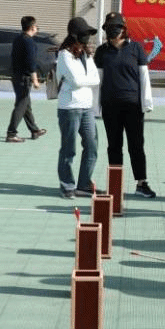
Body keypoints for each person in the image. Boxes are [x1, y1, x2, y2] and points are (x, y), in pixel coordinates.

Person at [93, 12, 156, 198]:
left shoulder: (136, 48)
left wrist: (147, 103)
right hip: (110, 106)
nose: (112, 30)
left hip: (133, 107)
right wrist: (95, 108)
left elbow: (144, 77)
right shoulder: (102, 51)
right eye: (109, 27)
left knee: (136, 145)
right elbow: (98, 80)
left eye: (116, 27)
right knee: (114, 146)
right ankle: (115, 185)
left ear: (124, 28)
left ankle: (141, 183)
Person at [56, 17, 100, 199]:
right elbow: (76, 81)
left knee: (92, 145)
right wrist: (85, 81)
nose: (87, 37)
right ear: (74, 35)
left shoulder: (87, 55)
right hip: (69, 107)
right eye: (84, 34)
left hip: (86, 106)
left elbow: (96, 79)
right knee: (69, 148)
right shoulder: (64, 55)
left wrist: (84, 81)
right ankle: (67, 185)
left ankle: (83, 184)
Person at [6, 15, 47, 143]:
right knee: (21, 105)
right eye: (36, 26)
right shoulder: (29, 42)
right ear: (32, 27)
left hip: (16, 76)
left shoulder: (18, 39)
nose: (37, 28)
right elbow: (31, 62)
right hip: (24, 78)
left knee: (26, 104)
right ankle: (11, 133)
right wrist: (35, 80)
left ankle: (34, 130)